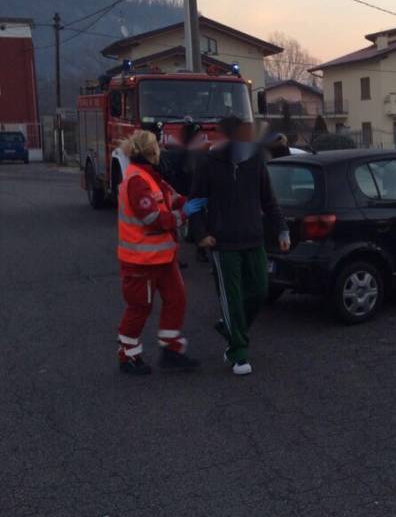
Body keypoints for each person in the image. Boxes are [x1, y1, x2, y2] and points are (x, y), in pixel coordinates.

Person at [189, 116, 289, 376]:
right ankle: (238, 352)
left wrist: (281, 228)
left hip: (253, 238)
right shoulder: (208, 163)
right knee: (231, 297)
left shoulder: (255, 161)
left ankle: (230, 326)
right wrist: (201, 234)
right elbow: (194, 203)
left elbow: (268, 199)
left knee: (259, 289)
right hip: (223, 243)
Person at [116, 130, 204, 375]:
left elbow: (171, 198)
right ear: (149, 151)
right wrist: (184, 213)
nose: (160, 152)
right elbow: (153, 218)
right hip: (141, 261)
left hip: (162, 258)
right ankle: (127, 356)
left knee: (177, 299)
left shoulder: (150, 177)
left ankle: (171, 350)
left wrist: (192, 200)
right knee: (139, 308)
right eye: (156, 147)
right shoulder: (137, 180)